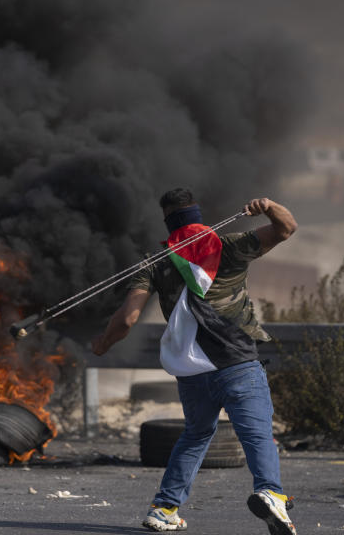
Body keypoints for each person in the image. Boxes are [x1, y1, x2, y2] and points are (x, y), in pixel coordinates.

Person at [91, 188, 298, 535]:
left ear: (168, 221)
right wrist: (268, 207)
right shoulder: (228, 246)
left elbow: (127, 319)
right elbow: (285, 228)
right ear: (198, 215)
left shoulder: (154, 264)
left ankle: (165, 508)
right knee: (257, 433)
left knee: (196, 435)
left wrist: (101, 344)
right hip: (237, 362)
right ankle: (270, 492)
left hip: (192, 371)